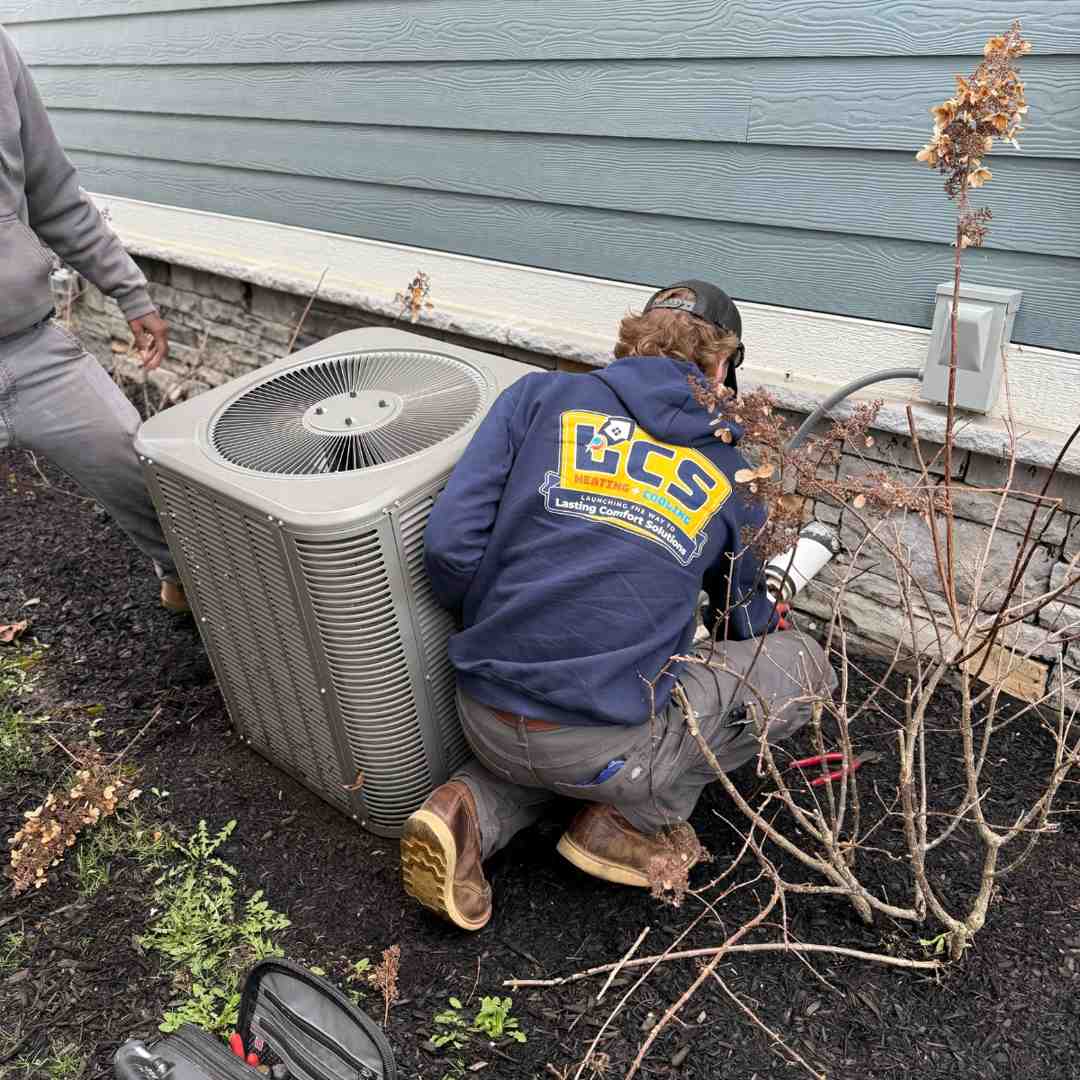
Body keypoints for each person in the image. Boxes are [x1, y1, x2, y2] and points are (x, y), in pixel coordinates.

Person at [401, 279, 835, 930]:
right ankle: (632, 823)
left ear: (631, 339)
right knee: (803, 665)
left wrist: (510, 621)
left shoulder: (537, 398)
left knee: (558, 742)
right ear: (721, 367)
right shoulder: (728, 470)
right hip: (604, 750)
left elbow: (450, 548)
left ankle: (465, 811)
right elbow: (743, 622)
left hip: (483, 711)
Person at [0, 26, 185, 611]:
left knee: (140, 470)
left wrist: (131, 292)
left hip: (28, 346)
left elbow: (51, 191)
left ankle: (187, 586)